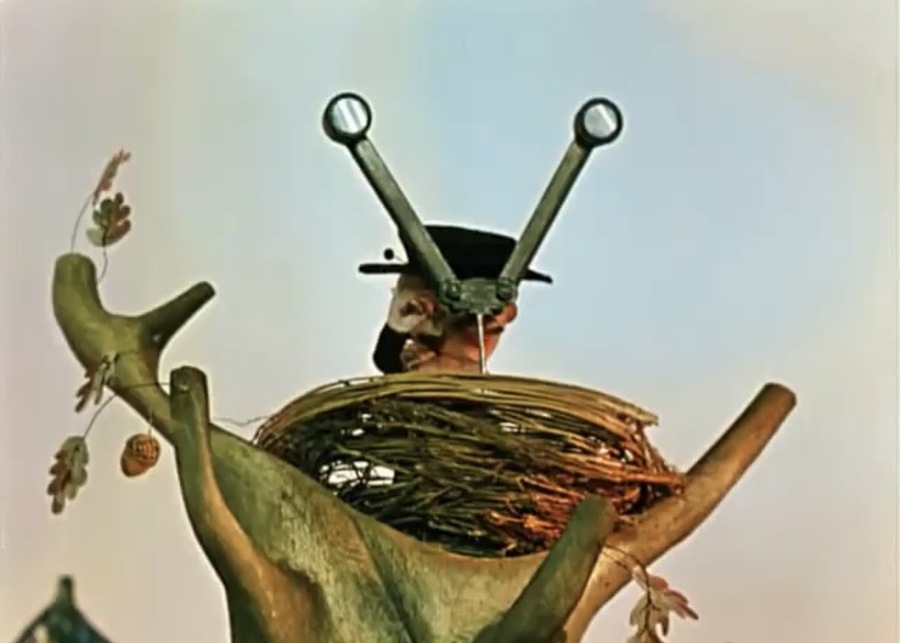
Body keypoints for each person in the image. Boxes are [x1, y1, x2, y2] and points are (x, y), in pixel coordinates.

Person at [358, 224, 552, 374]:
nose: (486, 319)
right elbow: (387, 361)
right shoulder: (419, 367)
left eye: (499, 304)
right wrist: (395, 331)